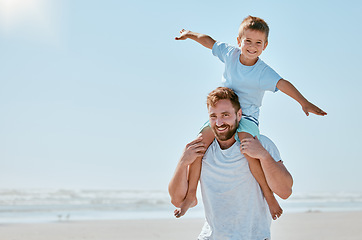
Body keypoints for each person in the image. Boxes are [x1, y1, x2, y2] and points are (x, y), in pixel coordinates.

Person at [173, 15, 326, 219]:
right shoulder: (230, 54)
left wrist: (304, 102)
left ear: (265, 46)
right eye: (248, 41)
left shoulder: (263, 72)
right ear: (239, 41)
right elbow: (208, 41)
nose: (252, 46)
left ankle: (269, 196)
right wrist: (189, 34)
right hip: (223, 114)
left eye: (258, 43)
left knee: (248, 150)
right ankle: (191, 195)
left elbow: (283, 84)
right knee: (199, 145)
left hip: (247, 119)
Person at [168, 87, 293, 239]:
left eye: (225, 115)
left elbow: (285, 192)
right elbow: (176, 200)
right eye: (213, 116)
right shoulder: (202, 149)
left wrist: (264, 156)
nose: (219, 122)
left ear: (238, 115)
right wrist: (182, 162)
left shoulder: (260, 144)